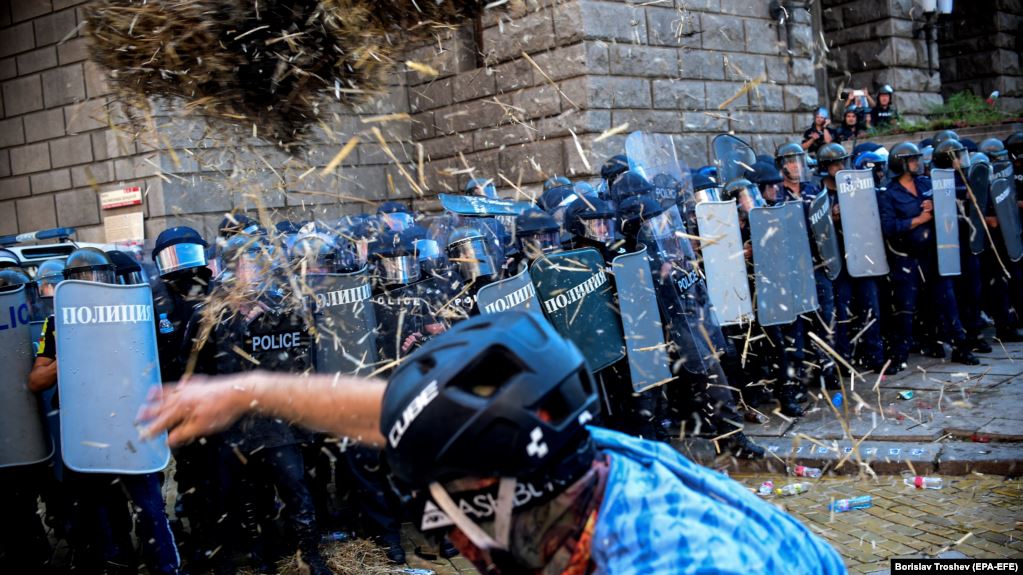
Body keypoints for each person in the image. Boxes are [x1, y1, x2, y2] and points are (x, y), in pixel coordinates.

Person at [139, 311, 845, 574]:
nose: (451, 540)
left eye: (442, 509)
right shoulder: (572, 448)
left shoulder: (676, 560)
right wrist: (241, 391)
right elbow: (400, 412)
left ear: (490, 500)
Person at [29, 248, 182, 575]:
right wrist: (69, 352)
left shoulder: (134, 310)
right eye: (84, 280)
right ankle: (118, 561)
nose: (93, 285)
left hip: (132, 428)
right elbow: (36, 380)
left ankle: (165, 566)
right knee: (101, 519)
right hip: (87, 435)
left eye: (98, 277)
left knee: (153, 512)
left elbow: (156, 362)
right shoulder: (57, 321)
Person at [876, 143, 979, 368]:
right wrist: (918, 220)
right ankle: (898, 357)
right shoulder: (888, 194)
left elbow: (950, 199)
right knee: (905, 307)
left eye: (917, 159)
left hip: (932, 254)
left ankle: (960, 347)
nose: (917, 162)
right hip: (906, 257)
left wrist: (936, 204)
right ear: (900, 163)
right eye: (912, 159)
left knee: (947, 300)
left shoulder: (926, 183)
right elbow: (888, 227)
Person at [816, 143, 891, 374]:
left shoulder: (854, 187)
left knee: (871, 308)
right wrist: (830, 218)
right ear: (825, 167)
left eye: (842, 162)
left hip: (860, 254)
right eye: (835, 163)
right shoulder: (817, 195)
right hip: (837, 261)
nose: (840, 166)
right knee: (842, 314)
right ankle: (844, 362)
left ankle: (874, 356)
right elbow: (816, 231)